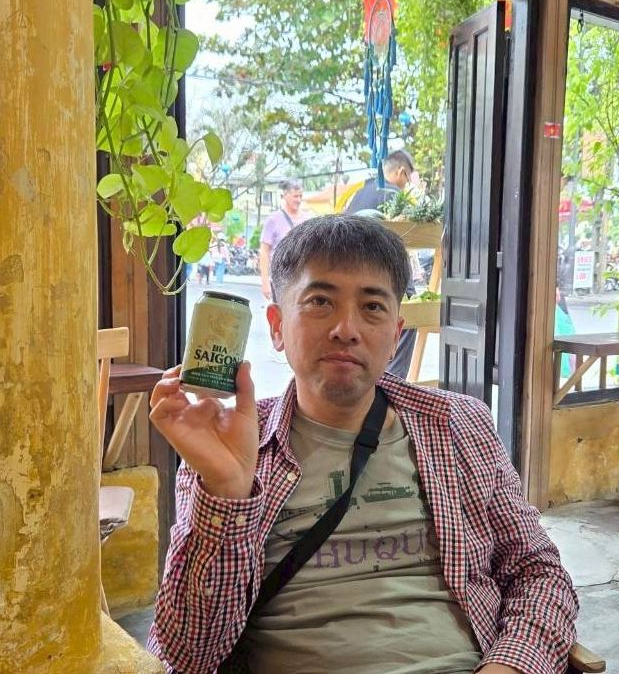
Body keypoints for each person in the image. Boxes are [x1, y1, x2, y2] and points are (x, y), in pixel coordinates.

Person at [147, 215, 578, 674]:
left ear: (396, 334)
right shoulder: (232, 445)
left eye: (372, 306)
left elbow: (538, 571)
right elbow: (188, 654)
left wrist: (510, 666)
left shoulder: (457, 425)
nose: (346, 329)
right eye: (320, 301)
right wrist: (227, 491)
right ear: (276, 326)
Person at [345, 149, 418, 379]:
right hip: (379, 271)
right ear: (401, 172)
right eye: (408, 178)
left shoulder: (360, 192)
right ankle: (393, 379)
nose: (407, 184)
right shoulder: (393, 194)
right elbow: (406, 237)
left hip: (349, 271)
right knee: (410, 309)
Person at [259, 179, 309, 300]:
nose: (298, 200)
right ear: (285, 195)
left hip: (302, 280)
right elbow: (264, 252)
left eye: (300, 196)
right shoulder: (273, 220)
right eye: (295, 196)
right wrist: (265, 282)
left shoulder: (307, 219)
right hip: (280, 280)